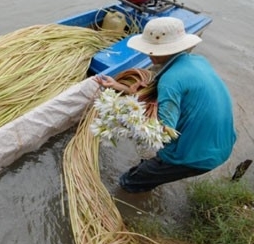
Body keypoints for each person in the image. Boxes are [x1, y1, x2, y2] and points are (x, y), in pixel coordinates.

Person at [94, 16, 236, 193]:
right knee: (150, 170)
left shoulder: (169, 81)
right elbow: (158, 98)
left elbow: (163, 132)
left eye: (151, 50)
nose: (147, 54)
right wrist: (117, 87)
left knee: (129, 182)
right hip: (223, 144)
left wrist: (125, 118)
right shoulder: (197, 61)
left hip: (197, 156)